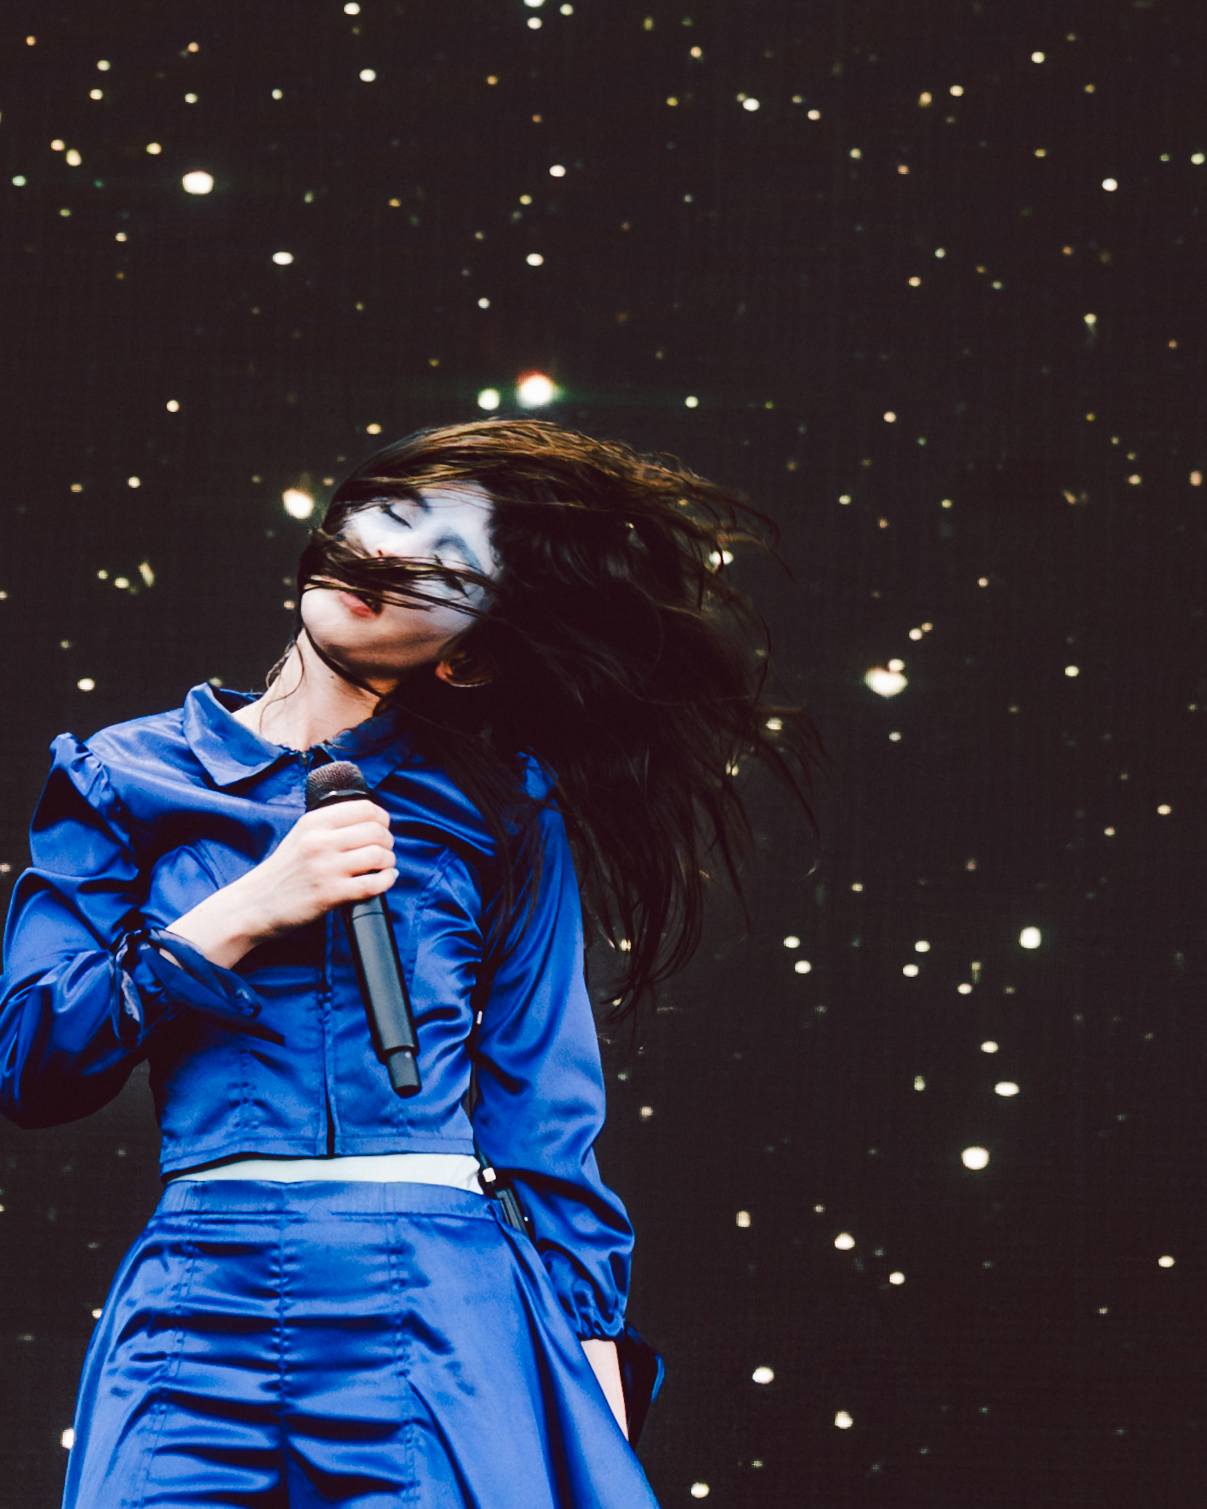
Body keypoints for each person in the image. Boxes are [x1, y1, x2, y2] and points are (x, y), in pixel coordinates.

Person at [0, 419, 819, 1508]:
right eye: (392, 515)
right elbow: (31, 1062)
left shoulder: (502, 808)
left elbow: (544, 1115)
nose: (390, 557)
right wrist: (242, 912)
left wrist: (591, 1358)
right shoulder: (121, 774)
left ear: (467, 649)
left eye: (449, 565)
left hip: (433, 1304)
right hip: (193, 1306)